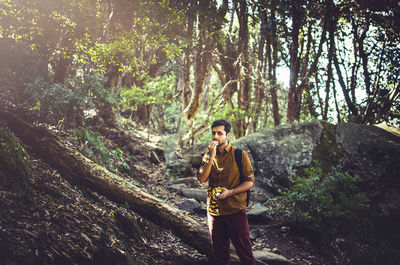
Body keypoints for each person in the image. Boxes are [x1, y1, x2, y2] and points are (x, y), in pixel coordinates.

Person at [198, 119, 255, 265]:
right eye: (213, 133)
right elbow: (202, 179)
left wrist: (230, 192)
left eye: (219, 133)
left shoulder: (240, 155)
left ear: (228, 135)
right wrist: (211, 156)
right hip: (214, 212)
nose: (216, 136)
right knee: (220, 257)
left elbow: (250, 181)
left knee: (245, 254)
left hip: (235, 210)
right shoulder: (208, 155)